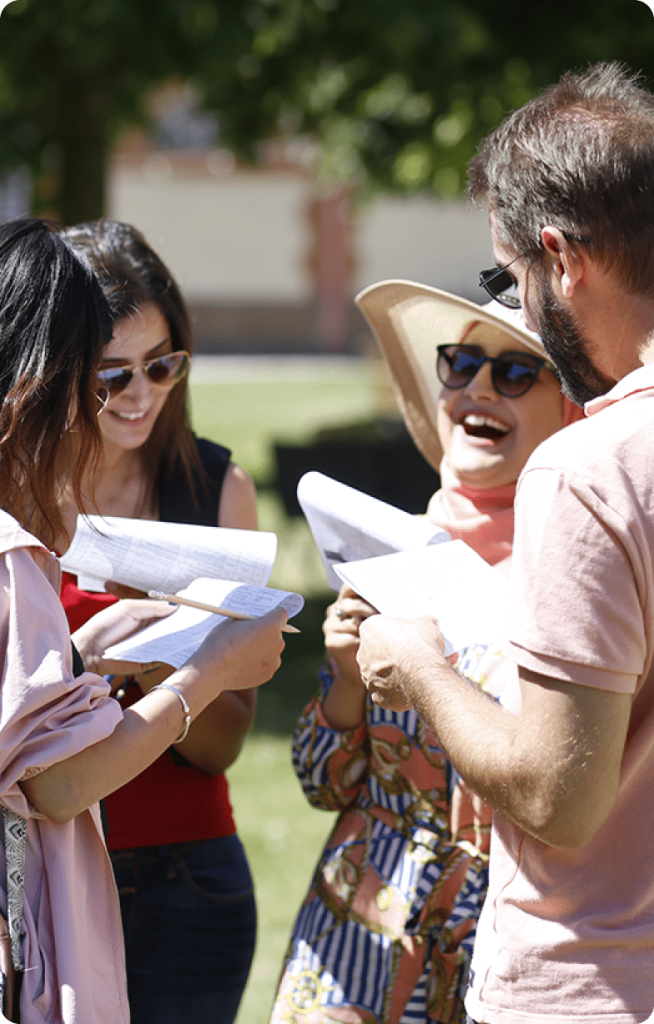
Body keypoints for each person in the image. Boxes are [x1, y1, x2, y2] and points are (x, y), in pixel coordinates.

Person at [356, 62, 654, 1024]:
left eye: (516, 275)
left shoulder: (588, 467)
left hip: (593, 980)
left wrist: (417, 668)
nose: (520, 309)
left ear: (561, 258)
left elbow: (555, 793)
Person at [0, 216, 287, 1024]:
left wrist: (94, 660)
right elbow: (52, 781)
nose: (137, 396)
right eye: (105, 376)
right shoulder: (17, 545)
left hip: (176, 875)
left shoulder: (212, 484)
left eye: (163, 367)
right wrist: (202, 668)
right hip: (49, 868)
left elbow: (221, 745)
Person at [271, 280, 581, 1024]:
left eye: (512, 372)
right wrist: (346, 676)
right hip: (356, 940)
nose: (476, 387)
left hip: (501, 945)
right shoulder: (396, 544)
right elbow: (324, 782)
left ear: (569, 407)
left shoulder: (578, 573)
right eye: (460, 363)